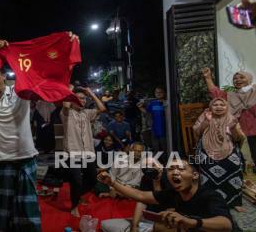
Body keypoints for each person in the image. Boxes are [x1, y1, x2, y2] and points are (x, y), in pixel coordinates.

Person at [0, 36, 63, 231]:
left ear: (4, 76)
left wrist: (64, 46)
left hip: (25, 162)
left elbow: (44, 71)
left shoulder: (19, 90)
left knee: (27, 218)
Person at [97, 156, 234, 231]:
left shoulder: (209, 195)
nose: (175, 172)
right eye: (171, 169)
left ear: (195, 175)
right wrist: (112, 183)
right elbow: (140, 196)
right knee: (107, 224)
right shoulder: (172, 192)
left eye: (180, 169)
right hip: (174, 226)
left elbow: (226, 224)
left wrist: (190, 222)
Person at [193, 98, 246, 212]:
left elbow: (238, 139)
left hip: (228, 148)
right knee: (204, 167)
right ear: (210, 107)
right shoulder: (205, 116)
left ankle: (234, 201)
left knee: (235, 166)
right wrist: (207, 121)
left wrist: (232, 128)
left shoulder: (231, 118)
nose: (218, 107)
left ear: (226, 107)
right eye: (215, 105)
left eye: (222, 105)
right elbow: (197, 133)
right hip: (206, 149)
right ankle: (207, 201)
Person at [61, 85, 106, 217]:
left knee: (92, 179)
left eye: (85, 99)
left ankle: (77, 194)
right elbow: (65, 105)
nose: (83, 101)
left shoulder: (87, 113)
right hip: (73, 153)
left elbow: (102, 108)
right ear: (73, 99)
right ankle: (74, 206)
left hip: (88, 153)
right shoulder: (66, 113)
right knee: (76, 180)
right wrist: (69, 90)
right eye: (80, 98)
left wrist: (90, 93)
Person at [202, 68, 256, 173]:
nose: (237, 80)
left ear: (249, 79)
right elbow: (215, 93)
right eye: (235, 78)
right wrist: (208, 77)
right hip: (238, 132)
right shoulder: (231, 95)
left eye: (241, 77)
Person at [102, 157, 168, 232]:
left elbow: (161, 202)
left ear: (161, 166)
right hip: (148, 218)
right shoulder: (146, 178)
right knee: (105, 224)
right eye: (146, 167)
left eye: (153, 165)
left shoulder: (169, 178)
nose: (150, 168)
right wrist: (134, 225)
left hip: (165, 222)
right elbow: (141, 200)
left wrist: (157, 181)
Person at [138, 87, 167, 153]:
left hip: (165, 130)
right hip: (155, 129)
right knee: (156, 148)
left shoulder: (167, 103)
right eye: (156, 92)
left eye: (160, 92)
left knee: (165, 148)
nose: (158, 94)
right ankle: (157, 162)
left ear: (164, 93)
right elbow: (146, 112)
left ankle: (166, 162)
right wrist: (140, 107)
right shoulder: (153, 103)